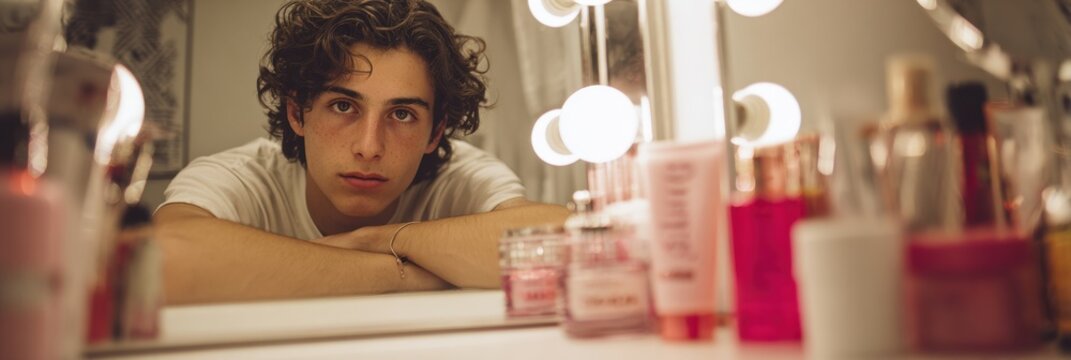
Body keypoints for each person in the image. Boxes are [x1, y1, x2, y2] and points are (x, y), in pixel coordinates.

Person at [155, 0, 569, 304]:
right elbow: (162, 255)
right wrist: (401, 273)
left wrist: (378, 239)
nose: (370, 147)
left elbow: (566, 241)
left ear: (435, 130)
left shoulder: (461, 178)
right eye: (343, 106)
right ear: (298, 112)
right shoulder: (246, 178)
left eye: (403, 114)